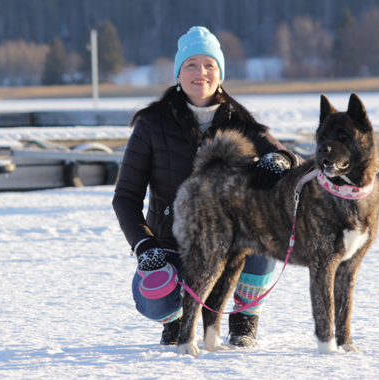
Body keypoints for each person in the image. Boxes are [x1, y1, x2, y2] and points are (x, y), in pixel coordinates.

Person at [112, 26, 299, 347]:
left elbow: (285, 156)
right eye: (191, 65)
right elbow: (126, 197)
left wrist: (282, 161)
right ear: (178, 74)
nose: (201, 72)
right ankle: (177, 320)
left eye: (210, 65)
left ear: (220, 74)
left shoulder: (239, 122)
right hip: (172, 245)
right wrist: (145, 246)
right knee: (154, 301)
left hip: (232, 245)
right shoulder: (151, 125)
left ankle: (244, 318)